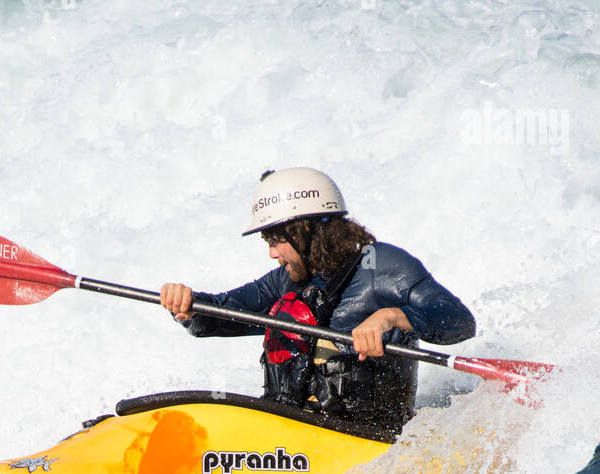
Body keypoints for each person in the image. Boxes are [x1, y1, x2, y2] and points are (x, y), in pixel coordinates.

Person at [160, 167, 476, 439]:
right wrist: (186, 304)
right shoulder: (286, 281)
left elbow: (459, 321)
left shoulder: (383, 266)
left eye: (277, 240)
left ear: (307, 230)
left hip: (370, 448)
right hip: (291, 443)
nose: (272, 253)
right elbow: (217, 314)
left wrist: (393, 316)